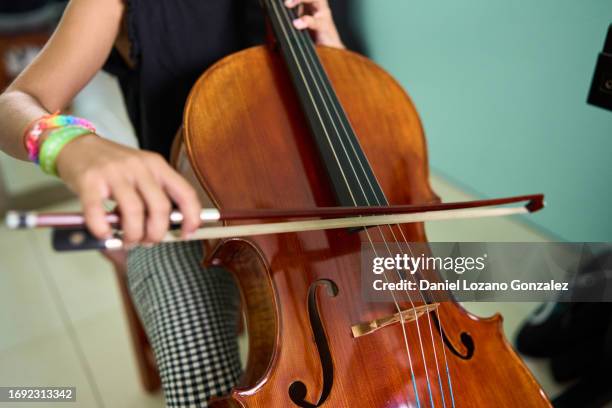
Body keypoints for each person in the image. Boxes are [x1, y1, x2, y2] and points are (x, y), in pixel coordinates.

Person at [0, 0, 346, 406]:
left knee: (422, 296)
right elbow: (14, 103)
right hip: (187, 213)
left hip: (325, 200)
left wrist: (334, 55)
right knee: (201, 384)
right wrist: (71, 144)